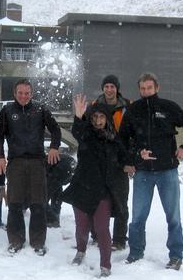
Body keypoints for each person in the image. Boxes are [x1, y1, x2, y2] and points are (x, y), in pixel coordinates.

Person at [119, 72, 183, 270]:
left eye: (149, 88)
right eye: (143, 88)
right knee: (138, 217)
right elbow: (122, 139)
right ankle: (135, 253)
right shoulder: (133, 110)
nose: (146, 91)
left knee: (173, 216)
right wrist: (136, 154)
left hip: (167, 171)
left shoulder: (168, 107)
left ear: (157, 88)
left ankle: (176, 255)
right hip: (143, 172)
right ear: (139, 89)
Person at [63, 94, 131, 277]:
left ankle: (106, 265)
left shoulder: (115, 140)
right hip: (82, 188)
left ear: (107, 119)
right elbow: (77, 131)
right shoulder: (87, 135)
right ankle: (81, 251)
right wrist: (78, 116)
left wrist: (138, 160)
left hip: (103, 191)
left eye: (101, 117)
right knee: (82, 227)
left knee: (102, 229)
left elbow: (126, 159)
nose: (98, 121)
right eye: (95, 118)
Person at [0, 78, 62, 256]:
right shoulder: (7, 111)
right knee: (15, 203)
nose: (23, 96)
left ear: (31, 94)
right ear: (14, 94)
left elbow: (56, 130)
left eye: (27, 93)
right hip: (15, 162)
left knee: (38, 203)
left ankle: (38, 241)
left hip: (37, 162)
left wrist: (54, 146)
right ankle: (16, 240)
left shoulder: (40, 109)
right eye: (20, 93)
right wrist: (0, 157)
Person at [92, 74, 131, 250]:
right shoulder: (94, 106)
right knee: (97, 199)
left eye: (112, 87)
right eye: (106, 86)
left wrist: (130, 159)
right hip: (99, 161)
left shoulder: (127, 106)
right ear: (102, 88)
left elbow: (133, 134)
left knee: (120, 201)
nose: (109, 90)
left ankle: (119, 239)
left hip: (120, 159)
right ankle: (97, 235)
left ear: (117, 88)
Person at [45, 153, 75, 228]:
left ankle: (52, 220)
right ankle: (55, 215)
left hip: (61, 169)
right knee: (56, 190)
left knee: (43, 197)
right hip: (68, 167)